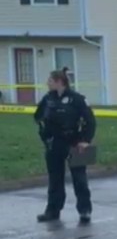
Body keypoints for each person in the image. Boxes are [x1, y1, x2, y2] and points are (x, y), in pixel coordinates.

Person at [34, 69, 96, 224]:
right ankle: (52, 211)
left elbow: (91, 121)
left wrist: (86, 140)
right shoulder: (48, 99)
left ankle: (85, 211)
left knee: (80, 179)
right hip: (54, 143)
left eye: (50, 80)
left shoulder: (78, 99)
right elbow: (38, 116)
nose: (47, 83)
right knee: (55, 179)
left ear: (59, 82)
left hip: (77, 142)